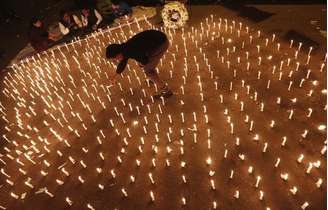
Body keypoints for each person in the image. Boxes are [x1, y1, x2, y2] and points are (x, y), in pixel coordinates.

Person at [106, 29, 173, 99]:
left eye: (115, 58)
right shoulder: (124, 48)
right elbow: (123, 61)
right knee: (144, 65)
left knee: (148, 71)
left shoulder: (132, 51)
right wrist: (116, 75)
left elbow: (145, 60)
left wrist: (142, 63)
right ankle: (153, 78)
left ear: (118, 54)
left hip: (161, 44)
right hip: (158, 38)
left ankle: (165, 91)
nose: (117, 60)